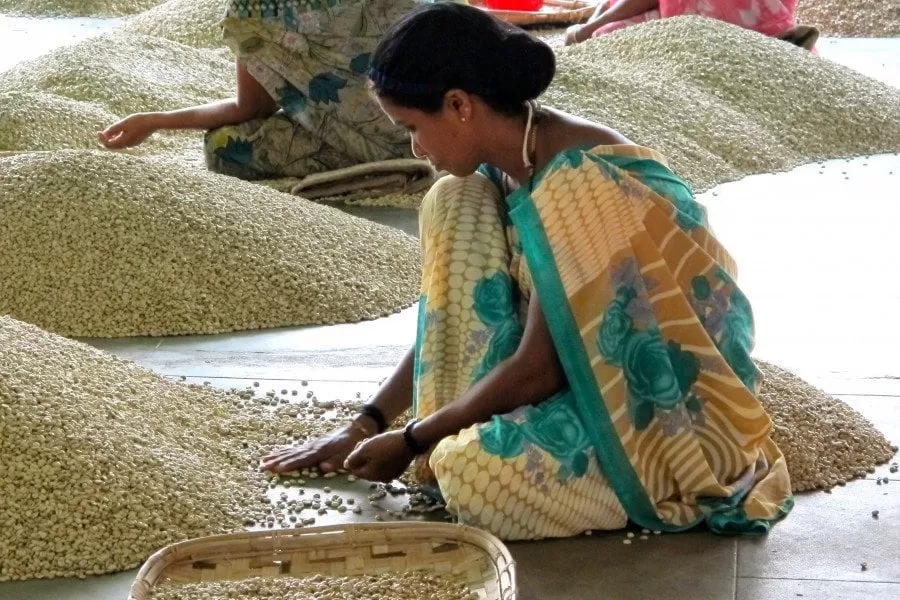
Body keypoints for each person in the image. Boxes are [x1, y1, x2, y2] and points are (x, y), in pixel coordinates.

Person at [263, 3, 793, 540]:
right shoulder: (499, 170)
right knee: (454, 198)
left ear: (459, 105)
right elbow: (448, 320)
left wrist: (414, 439)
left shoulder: (582, 185)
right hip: (561, 380)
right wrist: (366, 423)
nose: (416, 150)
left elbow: (539, 370)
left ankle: (506, 458)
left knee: (472, 474)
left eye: (414, 128)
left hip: (652, 415)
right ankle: (453, 438)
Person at [98, 0, 419, 180]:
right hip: (437, 118)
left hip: (389, 141)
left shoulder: (253, 11)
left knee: (223, 146)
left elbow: (251, 109)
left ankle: (378, 162)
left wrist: (155, 121)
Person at [564, 0, 819, 50]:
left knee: (603, 33)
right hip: (764, 14)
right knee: (606, 33)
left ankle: (767, 44)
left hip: (712, 15)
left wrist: (583, 31)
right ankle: (774, 41)